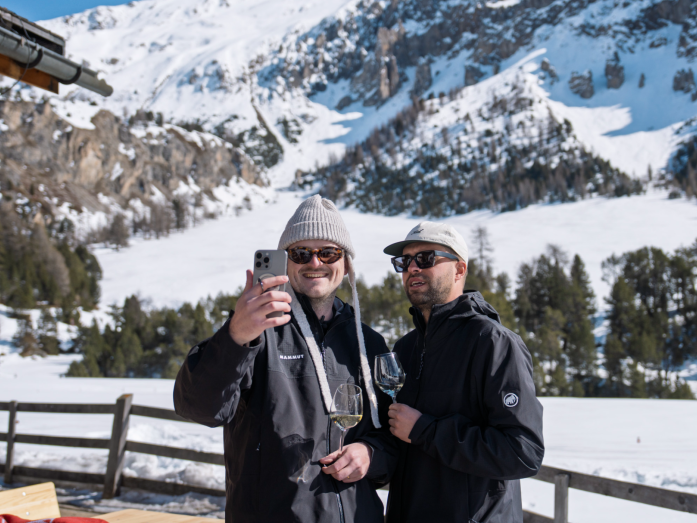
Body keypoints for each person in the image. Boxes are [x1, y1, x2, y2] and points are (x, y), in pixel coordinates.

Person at [173, 195, 394, 523]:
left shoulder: (369, 343)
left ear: (346, 263)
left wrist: (371, 455)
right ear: (286, 262)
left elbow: (393, 435)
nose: (315, 262)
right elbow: (199, 407)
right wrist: (235, 336)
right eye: (301, 252)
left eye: (328, 252)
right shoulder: (256, 330)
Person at [382, 221, 545, 523]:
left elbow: (523, 452)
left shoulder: (493, 343)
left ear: (459, 269)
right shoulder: (405, 348)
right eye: (405, 261)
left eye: (426, 258)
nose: (413, 268)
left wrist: (426, 430)